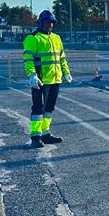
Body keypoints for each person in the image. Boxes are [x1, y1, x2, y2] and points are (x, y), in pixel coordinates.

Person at [22, 10, 73, 149]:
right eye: (46, 22)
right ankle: (35, 136)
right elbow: (28, 60)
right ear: (40, 23)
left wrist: (66, 72)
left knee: (49, 108)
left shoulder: (56, 38)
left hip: (55, 80)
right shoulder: (33, 38)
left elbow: (62, 58)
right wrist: (32, 75)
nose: (49, 25)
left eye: (51, 22)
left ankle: (45, 133)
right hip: (40, 81)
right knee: (38, 109)